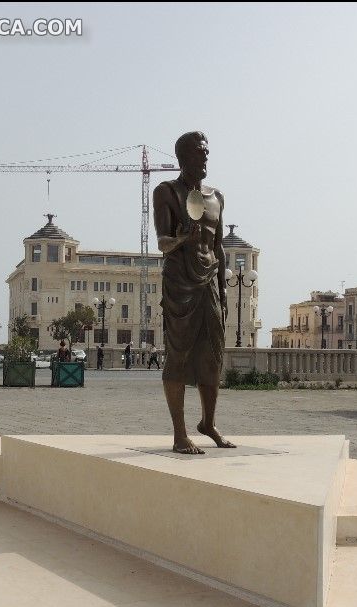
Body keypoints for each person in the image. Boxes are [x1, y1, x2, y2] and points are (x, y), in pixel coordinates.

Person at [153, 131, 235, 453]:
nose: (205, 157)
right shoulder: (166, 192)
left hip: (209, 282)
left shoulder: (217, 197)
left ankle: (208, 423)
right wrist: (183, 238)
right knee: (178, 354)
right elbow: (162, 243)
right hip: (179, 284)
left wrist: (224, 290)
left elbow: (219, 247)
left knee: (212, 355)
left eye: (206, 152)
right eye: (199, 152)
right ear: (183, 157)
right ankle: (179, 434)